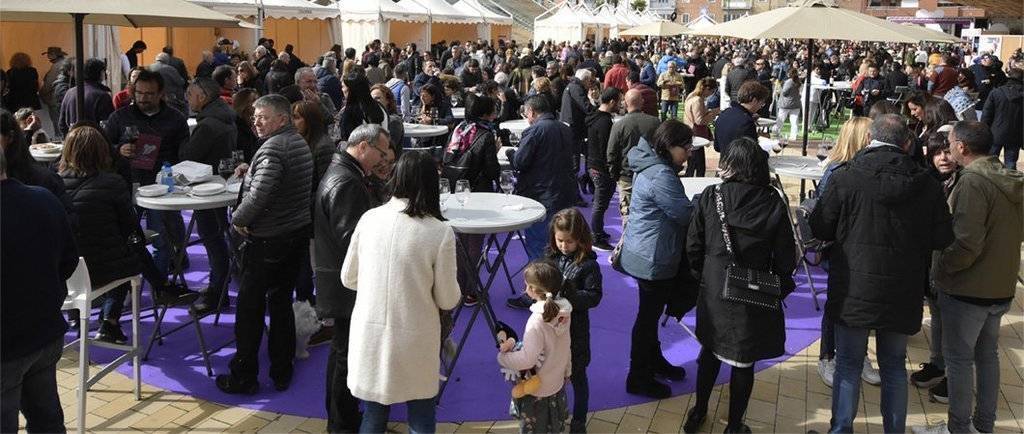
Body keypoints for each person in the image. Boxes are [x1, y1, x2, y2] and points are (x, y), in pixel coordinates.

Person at [809, 114, 954, 434]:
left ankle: (841, 429)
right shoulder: (925, 184)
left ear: (869, 139)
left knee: (848, 365)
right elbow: (943, 237)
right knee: (893, 366)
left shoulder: (847, 177)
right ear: (907, 144)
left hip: (853, 287)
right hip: (900, 289)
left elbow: (819, 225)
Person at [913, 121, 1023, 434]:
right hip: (998, 286)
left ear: (962, 147)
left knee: (960, 361)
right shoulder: (1008, 178)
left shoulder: (973, 182)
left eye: (949, 143)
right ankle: (981, 426)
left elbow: (965, 243)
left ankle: (959, 427)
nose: (946, 149)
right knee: (986, 357)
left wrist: (940, 270)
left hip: (968, 288)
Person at [684, 137, 797, 434]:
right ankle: (734, 426)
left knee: (709, 351)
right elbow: (787, 255)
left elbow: (693, 245)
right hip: (754, 289)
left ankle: (698, 412)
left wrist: (702, 275)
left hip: (714, 287)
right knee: (743, 362)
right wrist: (782, 284)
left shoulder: (712, 196)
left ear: (730, 165)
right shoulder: (772, 200)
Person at [341, 150, 460, 434]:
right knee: (420, 416)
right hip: (415, 336)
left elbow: (348, 277)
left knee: (372, 414)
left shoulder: (369, 218)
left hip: (371, 333)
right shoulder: (439, 231)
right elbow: (447, 298)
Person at [216, 94, 313, 395]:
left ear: (282, 119)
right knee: (280, 302)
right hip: (294, 233)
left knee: (250, 309)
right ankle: (282, 368)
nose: (255, 121)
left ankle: (244, 375)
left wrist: (237, 219)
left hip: (270, 240)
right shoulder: (297, 142)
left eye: (263, 117)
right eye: (255, 116)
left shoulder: (274, 148)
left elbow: (259, 196)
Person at [1, 149, 77, 434]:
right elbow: (68, 260)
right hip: (45, 333)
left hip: (11, 346)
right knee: (48, 420)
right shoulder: (44, 199)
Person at [619, 120, 695, 399]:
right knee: (647, 319)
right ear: (668, 146)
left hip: (645, 250)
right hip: (653, 256)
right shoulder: (661, 174)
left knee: (648, 317)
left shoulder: (650, 164)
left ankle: (652, 362)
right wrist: (700, 204)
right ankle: (638, 376)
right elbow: (684, 215)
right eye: (685, 147)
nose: (688, 153)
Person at [104, 69, 189, 276]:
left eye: (149, 94)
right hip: (127, 183)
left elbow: (185, 154)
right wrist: (118, 150)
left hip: (161, 187)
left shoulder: (175, 119)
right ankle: (128, 284)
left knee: (161, 239)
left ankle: (160, 284)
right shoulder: (119, 117)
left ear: (161, 94)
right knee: (125, 238)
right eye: (139, 93)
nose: (143, 98)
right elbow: (104, 147)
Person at [813, 116, 874, 388]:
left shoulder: (868, 169)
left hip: (863, 249)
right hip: (838, 250)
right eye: (870, 136)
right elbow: (825, 215)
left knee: (860, 303)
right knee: (836, 303)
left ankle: (859, 355)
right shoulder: (837, 171)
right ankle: (827, 355)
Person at [907, 130, 960, 403]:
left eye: (948, 152)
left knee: (952, 322)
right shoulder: (925, 181)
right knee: (938, 315)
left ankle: (953, 374)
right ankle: (937, 363)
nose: (944, 158)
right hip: (928, 262)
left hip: (951, 263)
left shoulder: (962, 183)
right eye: (938, 153)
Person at [180, 78, 236, 316]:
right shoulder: (225, 116)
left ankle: (217, 288)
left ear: (202, 97)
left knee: (212, 238)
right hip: (224, 183)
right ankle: (220, 284)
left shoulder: (208, 125)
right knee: (222, 236)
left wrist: (181, 143)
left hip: (208, 189)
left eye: (190, 94)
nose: (187, 99)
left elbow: (188, 155)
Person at [544, 208, 602, 434]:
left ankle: (578, 421)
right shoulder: (551, 256)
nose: (564, 246)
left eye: (569, 241)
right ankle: (553, 414)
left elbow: (595, 296)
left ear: (580, 238)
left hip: (575, 332)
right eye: (560, 240)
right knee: (551, 374)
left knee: (578, 377)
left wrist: (572, 295)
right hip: (551, 330)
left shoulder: (589, 265)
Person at [498, 261, 573, 434]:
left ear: (532, 289)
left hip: (536, 389)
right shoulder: (563, 314)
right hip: (556, 384)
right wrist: (567, 370)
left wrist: (503, 359)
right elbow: (566, 345)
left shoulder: (537, 321)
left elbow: (528, 359)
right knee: (553, 427)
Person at [506, 94, 576, 261]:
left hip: (541, 195)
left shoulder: (534, 130)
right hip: (564, 192)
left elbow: (519, 162)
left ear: (531, 111)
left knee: (539, 244)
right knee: (560, 242)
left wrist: (509, 153)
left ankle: (541, 282)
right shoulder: (565, 128)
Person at [606, 89, 660, 228]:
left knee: (628, 217)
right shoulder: (655, 122)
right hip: (650, 175)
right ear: (641, 102)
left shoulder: (619, 125)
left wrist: (615, 176)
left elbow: (611, 153)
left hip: (626, 177)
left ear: (626, 103)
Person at [585, 87, 620, 251]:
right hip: (601, 168)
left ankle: (598, 231)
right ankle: (596, 236)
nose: (620, 105)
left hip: (594, 165)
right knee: (600, 204)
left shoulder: (595, 116)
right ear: (612, 101)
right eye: (618, 101)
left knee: (601, 203)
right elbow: (608, 148)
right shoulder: (604, 121)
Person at [58, 58, 114, 137]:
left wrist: (68, 140)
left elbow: (62, 124)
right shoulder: (102, 96)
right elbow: (108, 126)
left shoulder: (70, 92)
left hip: (72, 140)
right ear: (101, 73)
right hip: (95, 143)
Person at [981, 66, 1021, 170]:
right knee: (1011, 164)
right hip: (1015, 134)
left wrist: (983, 130)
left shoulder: (996, 92)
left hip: (995, 133)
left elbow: (986, 114)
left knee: (990, 163)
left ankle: (990, 183)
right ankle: (1009, 185)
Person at [714, 81, 767, 156]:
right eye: (761, 104)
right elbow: (753, 154)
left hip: (724, 162)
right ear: (754, 101)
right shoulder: (747, 122)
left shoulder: (723, 114)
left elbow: (717, 147)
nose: (760, 107)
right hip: (741, 165)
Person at [683, 77, 719, 178]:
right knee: (699, 166)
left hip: (691, 132)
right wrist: (713, 113)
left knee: (692, 164)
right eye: (712, 91)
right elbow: (699, 120)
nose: (711, 94)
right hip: (696, 135)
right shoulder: (697, 100)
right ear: (707, 89)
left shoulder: (691, 96)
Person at [338, 73, 387, 142]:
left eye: (343, 86)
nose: (342, 89)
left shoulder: (349, 112)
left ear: (349, 90)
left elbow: (345, 139)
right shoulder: (380, 107)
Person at [40, 47, 69, 134]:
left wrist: (42, 94)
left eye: (49, 54)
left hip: (55, 100)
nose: (48, 57)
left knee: (59, 126)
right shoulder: (66, 63)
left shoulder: (56, 66)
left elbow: (49, 83)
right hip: (64, 98)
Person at [369, 84, 405, 152]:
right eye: (371, 99)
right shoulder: (371, 119)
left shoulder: (393, 121)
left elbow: (387, 148)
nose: (374, 102)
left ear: (388, 100)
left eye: (378, 98)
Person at [232, 88, 260, 162]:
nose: (258, 103)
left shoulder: (253, 123)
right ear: (243, 104)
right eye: (254, 100)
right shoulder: (236, 127)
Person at [775, 67, 802, 141]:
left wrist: (779, 89)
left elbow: (784, 93)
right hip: (796, 104)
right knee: (794, 121)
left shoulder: (788, 82)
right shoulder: (798, 82)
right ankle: (794, 135)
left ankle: (776, 132)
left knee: (781, 119)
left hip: (786, 104)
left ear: (788, 74)